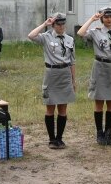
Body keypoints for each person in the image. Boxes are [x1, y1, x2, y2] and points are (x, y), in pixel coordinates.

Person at [78, 7, 111, 146]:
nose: (109, 19)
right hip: (100, 67)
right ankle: (99, 133)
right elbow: (80, 33)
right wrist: (92, 19)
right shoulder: (95, 32)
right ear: (102, 19)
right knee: (99, 102)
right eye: (106, 17)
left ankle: (108, 133)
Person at [28, 13, 76, 150]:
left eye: (63, 24)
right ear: (53, 25)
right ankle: (51, 139)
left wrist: (74, 80)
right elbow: (31, 36)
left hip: (65, 74)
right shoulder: (46, 37)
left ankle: (60, 139)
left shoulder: (70, 39)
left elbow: (72, 61)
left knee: (62, 108)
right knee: (50, 107)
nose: (61, 27)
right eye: (58, 24)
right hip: (51, 74)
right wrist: (44, 24)